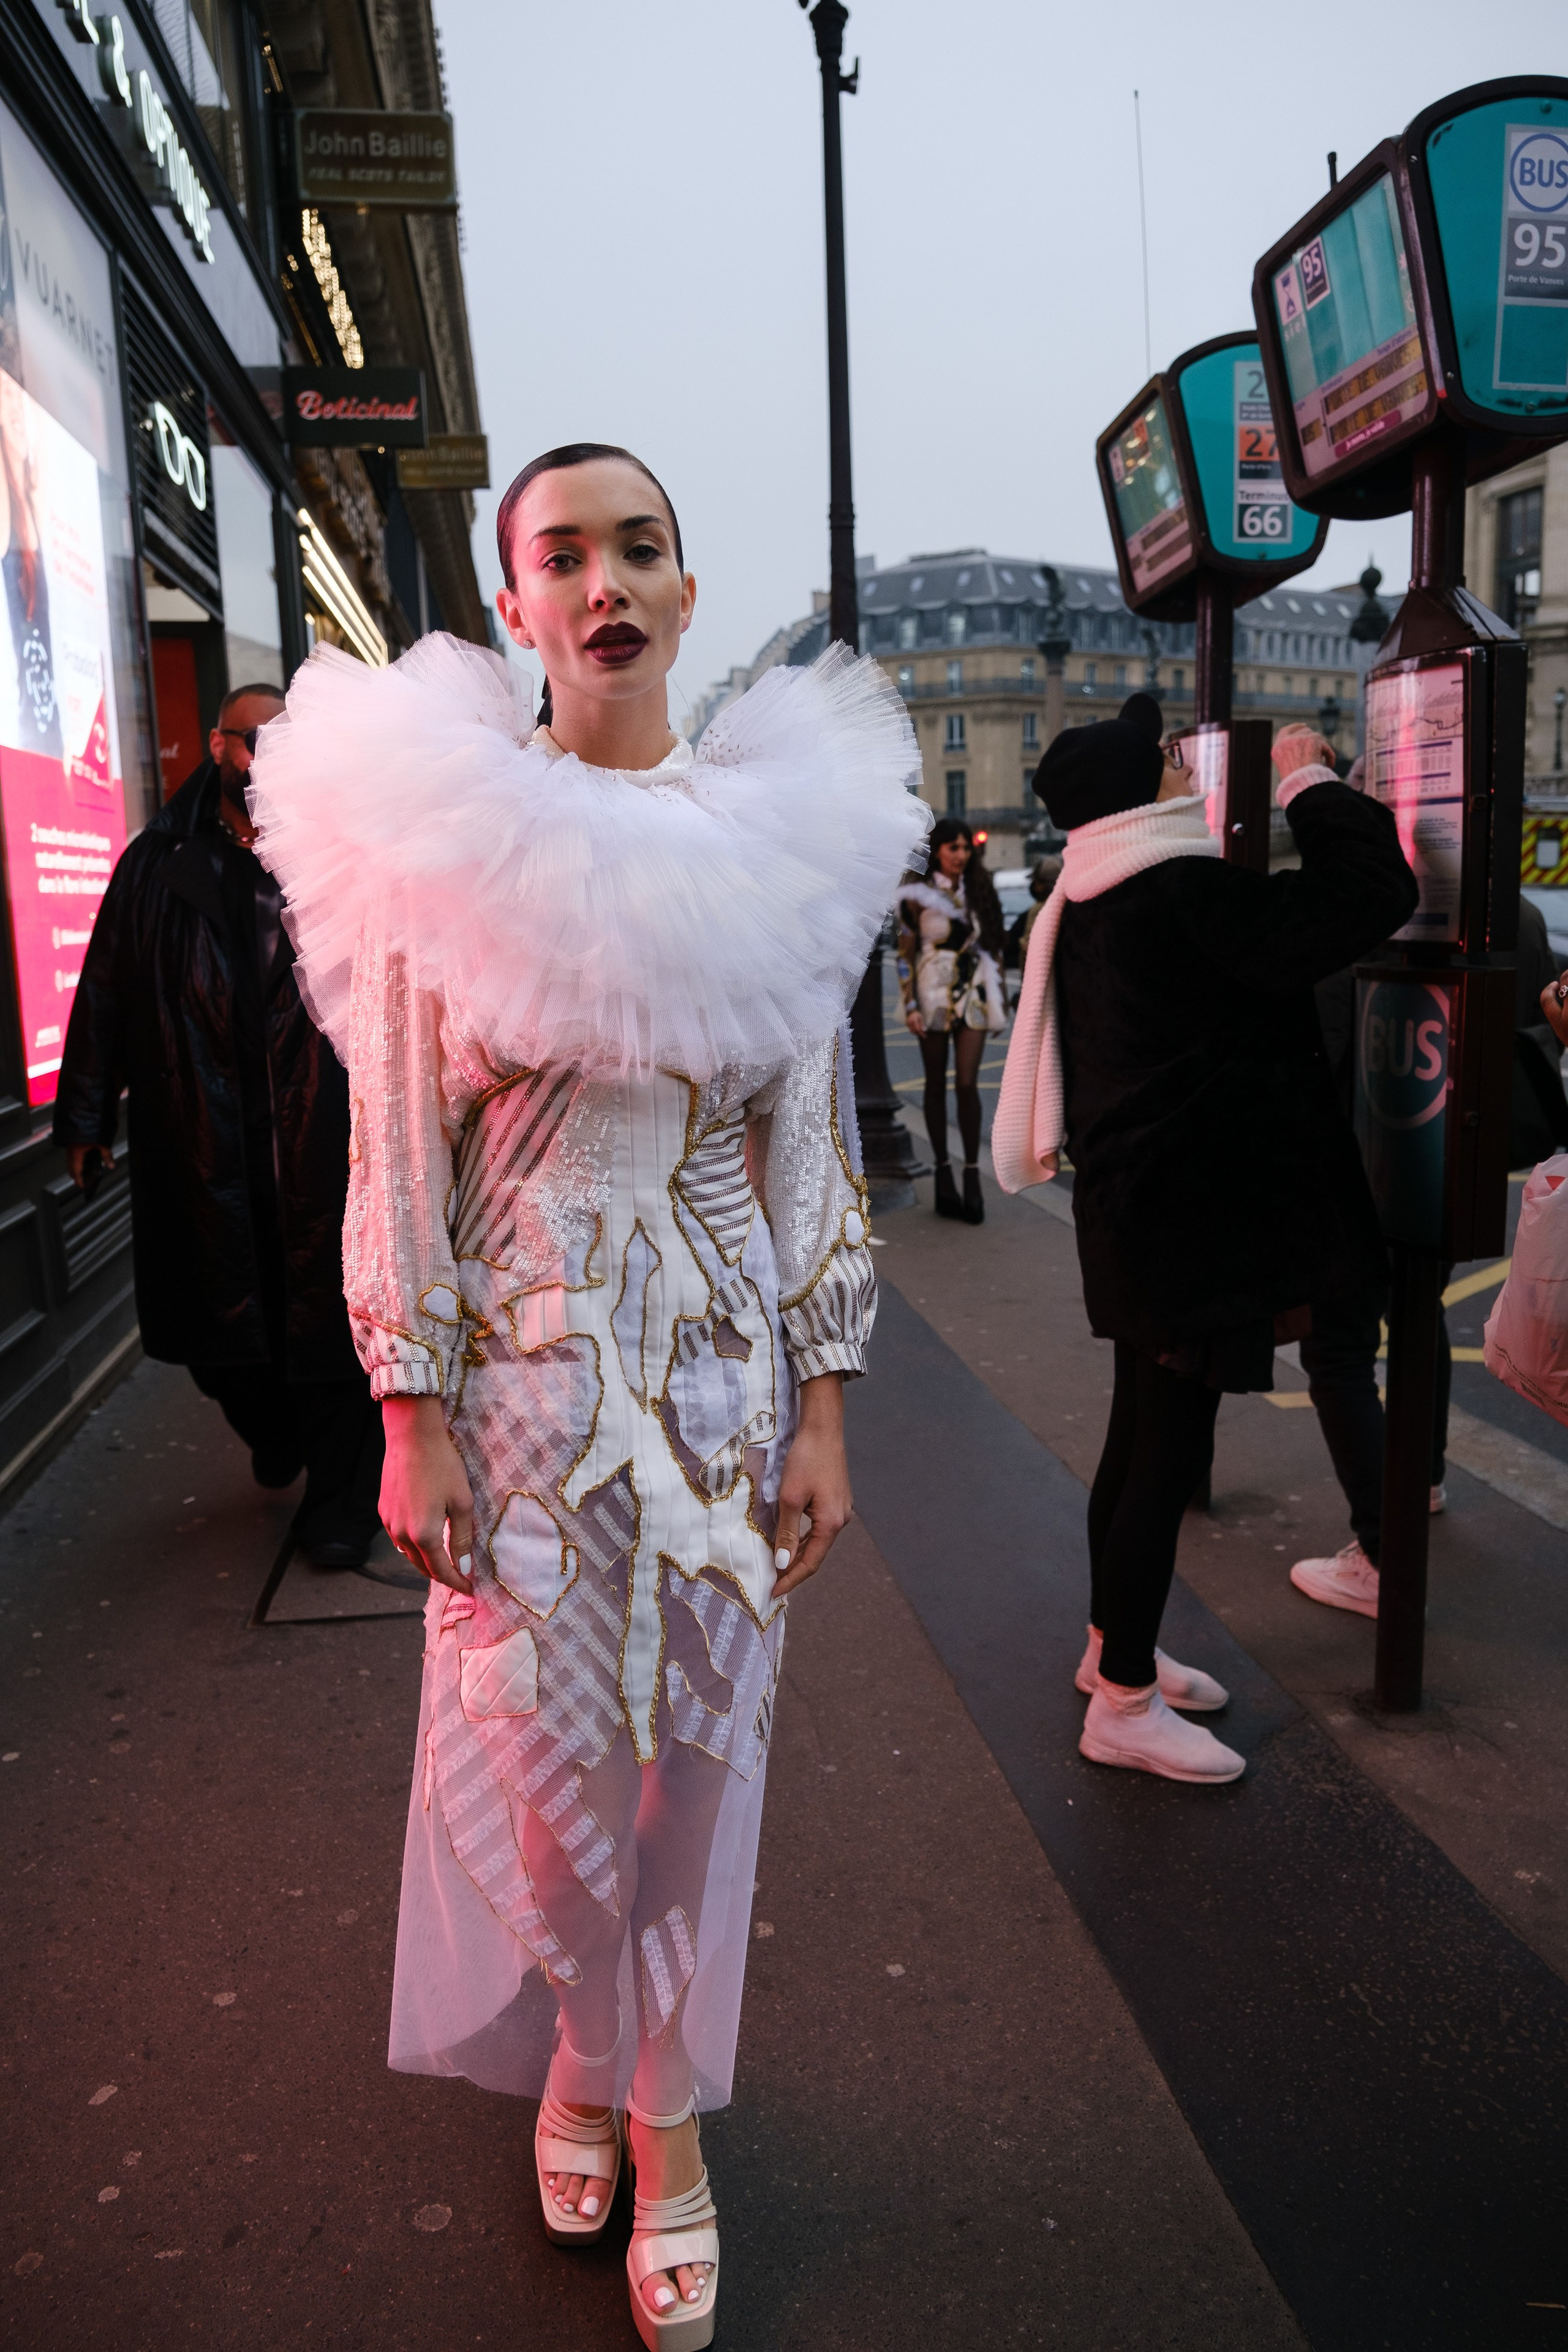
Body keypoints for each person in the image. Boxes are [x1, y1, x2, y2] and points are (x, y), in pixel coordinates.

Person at [249, 442, 925, 2348]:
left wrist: (826, 1403)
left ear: (687, 595)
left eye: (643, 545)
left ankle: (660, 2112)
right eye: (565, 552)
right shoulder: (439, 836)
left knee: (694, 1768)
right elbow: (396, 1151)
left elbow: (814, 1149)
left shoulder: (769, 849)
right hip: (524, 1397)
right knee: (546, 1774)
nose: (607, 578)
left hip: (719, 1391)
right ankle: (591, 2039)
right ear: (514, 598)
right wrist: (410, 1404)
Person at [994, 699, 1415, 1784]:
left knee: (1139, 1441)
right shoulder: (1179, 892)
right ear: (1147, 795)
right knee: (1160, 1455)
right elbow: (1373, 893)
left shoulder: (1093, 900)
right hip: (1187, 1230)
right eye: (1173, 761)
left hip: (1144, 1219)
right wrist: (1308, 780)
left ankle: (1109, 1653)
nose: (1190, 768)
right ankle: (1124, 1706)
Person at [53, 682, 383, 1569]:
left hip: (317, 1127)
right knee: (225, 1338)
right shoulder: (156, 862)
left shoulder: (334, 855)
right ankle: (271, 1429)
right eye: (251, 744)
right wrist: (85, 1114)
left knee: (332, 1323)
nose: (266, 762)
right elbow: (108, 988)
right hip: (205, 1126)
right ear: (215, 746)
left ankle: (341, 1504)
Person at [1289, 872, 1568, 1613]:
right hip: (1460, 1157)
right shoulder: (1522, 911)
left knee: (1337, 1345)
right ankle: (1423, 1479)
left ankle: (1384, 1553)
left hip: (1369, 1156)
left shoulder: (1364, 909)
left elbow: (1324, 1043)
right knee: (1420, 1310)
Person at [896, 815, 1007, 1223]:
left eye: (966, 848)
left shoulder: (980, 888)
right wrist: (909, 1007)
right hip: (932, 992)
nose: (962, 855)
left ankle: (973, 1175)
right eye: (953, 848)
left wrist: (1000, 1001)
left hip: (974, 992)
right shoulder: (915, 895)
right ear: (937, 850)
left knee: (966, 1084)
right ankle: (944, 1174)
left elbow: (994, 947)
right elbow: (904, 955)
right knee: (936, 1085)